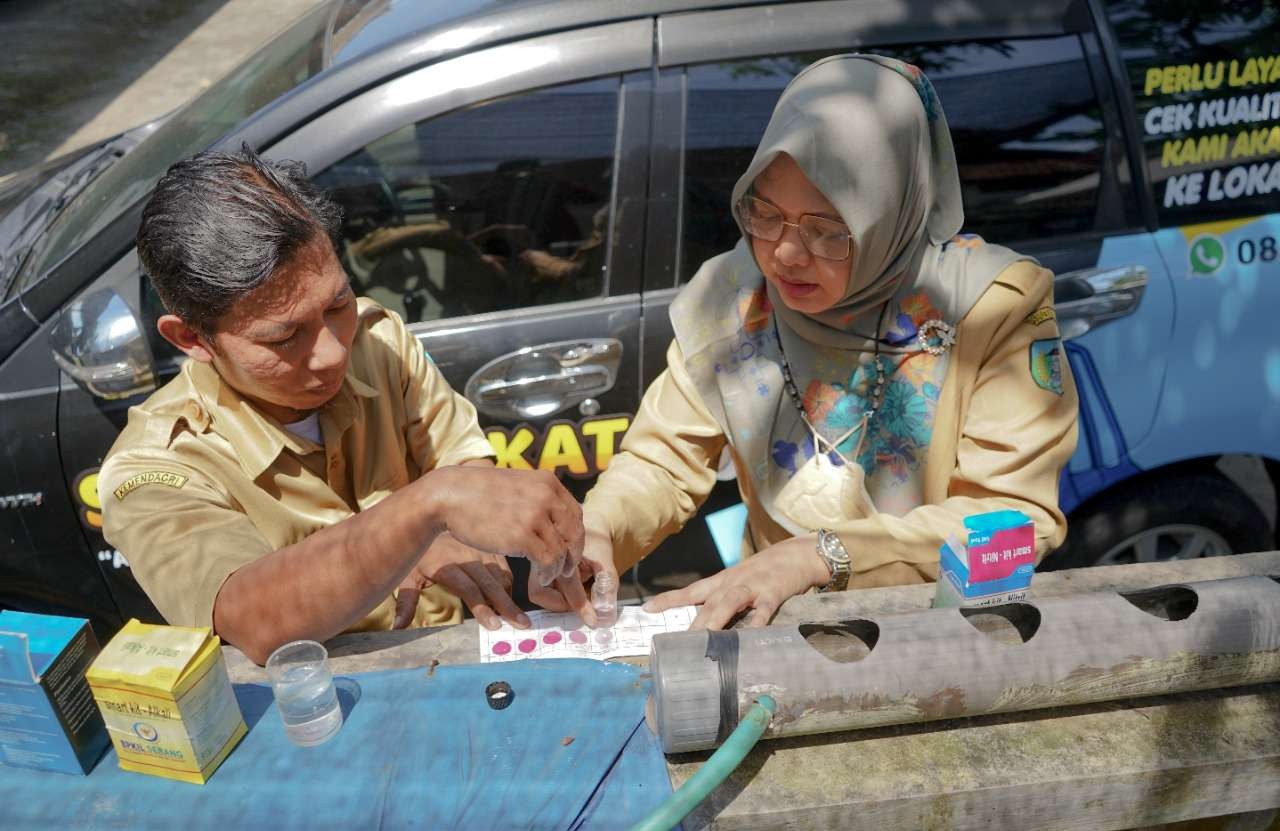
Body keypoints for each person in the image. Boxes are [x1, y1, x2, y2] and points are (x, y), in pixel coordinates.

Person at [554, 54, 1079, 630]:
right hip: (775, 622)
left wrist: (820, 556)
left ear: (889, 213)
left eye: (829, 230)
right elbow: (663, 460)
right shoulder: (733, 298)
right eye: (766, 215)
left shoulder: (990, 305)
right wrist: (598, 531)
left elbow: (1015, 524)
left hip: (938, 626)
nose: (784, 254)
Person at [99, 147, 589, 665]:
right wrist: (421, 517)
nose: (332, 352)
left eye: (337, 304)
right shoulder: (155, 467)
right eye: (284, 337)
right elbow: (253, 617)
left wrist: (476, 522)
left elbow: (467, 474)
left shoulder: (379, 342)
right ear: (192, 339)